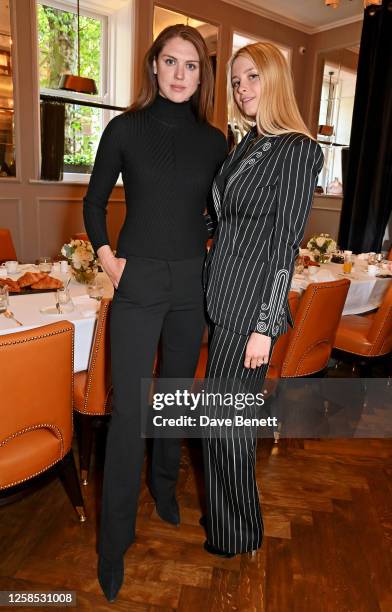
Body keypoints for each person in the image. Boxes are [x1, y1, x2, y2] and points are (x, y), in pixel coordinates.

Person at [83, 25, 227, 601]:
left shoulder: (215, 141)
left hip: (193, 281)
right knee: (129, 412)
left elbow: (218, 212)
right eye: (170, 62)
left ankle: (165, 490)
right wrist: (108, 260)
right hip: (137, 279)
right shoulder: (124, 129)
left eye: (191, 66)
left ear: (201, 76)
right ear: (154, 66)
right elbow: (94, 202)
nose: (179, 74)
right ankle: (113, 543)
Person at [202, 42, 324, 558]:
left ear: (274, 79)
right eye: (235, 82)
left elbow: (285, 245)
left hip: (250, 308)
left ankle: (237, 536)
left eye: (251, 77)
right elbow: (220, 219)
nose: (242, 89)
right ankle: (233, 529)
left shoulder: (298, 148)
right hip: (220, 298)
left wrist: (265, 325)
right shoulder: (246, 144)